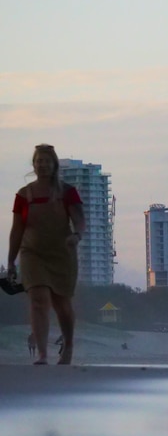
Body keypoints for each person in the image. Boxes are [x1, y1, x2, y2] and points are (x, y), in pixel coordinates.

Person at [7, 144, 85, 365]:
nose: (42, 165)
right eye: (39, 161)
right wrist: (11, 261)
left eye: (47, 161)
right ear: (34, 165)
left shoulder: (68, 192)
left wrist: (77, 236)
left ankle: (68, 346)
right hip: (32, 253)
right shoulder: (23, 195)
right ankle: (42, 353)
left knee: (62, 303)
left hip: (62, 253)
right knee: (38, 299)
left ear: (54, 165)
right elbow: (17, 230)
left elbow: (79, 219)